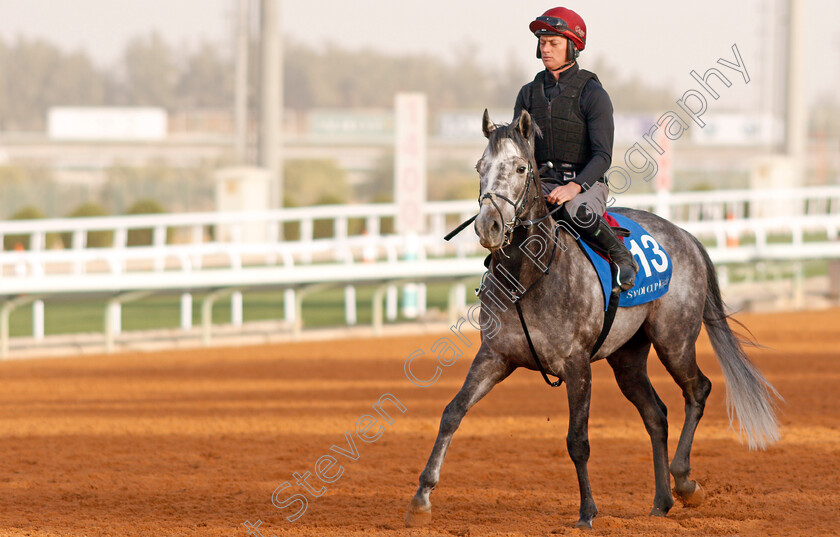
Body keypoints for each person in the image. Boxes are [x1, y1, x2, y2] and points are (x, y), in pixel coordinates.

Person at [514, 7, 638, 291]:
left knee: (574, 211)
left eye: (553, 43)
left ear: (572, 46)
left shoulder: (593, 94)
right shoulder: (527, 93)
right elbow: (520, 147)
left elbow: (603, 156)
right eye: (542, 43)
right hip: (542, 182)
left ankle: (620, 255)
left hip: (585, 184)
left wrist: (574, 187)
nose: (546, 49)